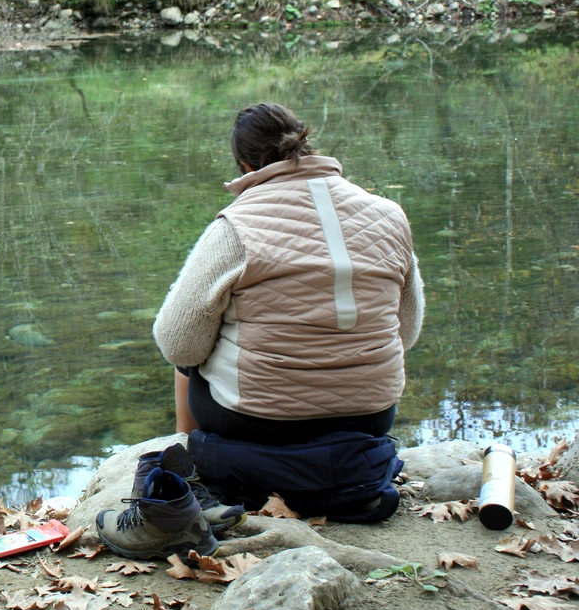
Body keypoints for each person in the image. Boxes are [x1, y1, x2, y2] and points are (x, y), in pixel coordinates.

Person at [97, 103, 423, 558]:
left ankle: (190, 465)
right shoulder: (389, 215)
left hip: (258, 421)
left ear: (245, 164)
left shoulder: (238, 225)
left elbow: (176, 340)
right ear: (307, 146)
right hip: (368, 417)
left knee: (190, 351)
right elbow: (405, 333)